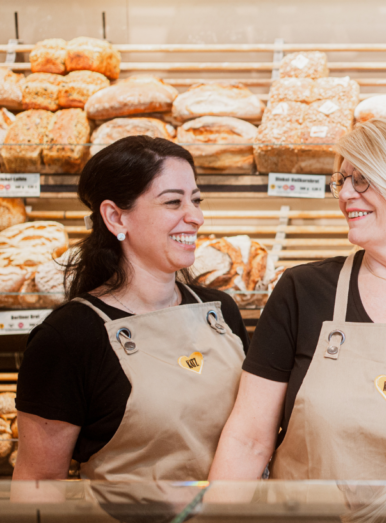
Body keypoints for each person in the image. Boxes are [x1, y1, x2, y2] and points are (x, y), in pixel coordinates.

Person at [209, 115, 386, 482]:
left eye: (362, 179)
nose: (346, 195)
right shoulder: (302, 291)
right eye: (342, 180)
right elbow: (248, 440)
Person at [14, 136, 248, 483]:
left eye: (196, 200)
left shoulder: (220, 311)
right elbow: (39, 485)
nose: (196, 217)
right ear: (115, 217)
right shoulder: (68, 337)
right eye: (173, 202)